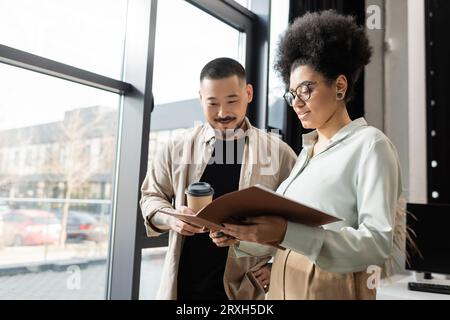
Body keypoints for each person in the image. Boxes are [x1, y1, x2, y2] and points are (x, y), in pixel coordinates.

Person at [211, 11, 403, 300]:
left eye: (306, 90)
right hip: (281, 289)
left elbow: (377, 243)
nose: (296, 103)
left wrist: (286, 231)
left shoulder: (370, 145)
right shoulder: (306, 154)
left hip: (329, 289)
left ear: (339, 86)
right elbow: (284, 238)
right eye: (291, 94)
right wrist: (241, 236)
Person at [140, 57, 297, 300]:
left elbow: (300, 223)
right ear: (201, 98)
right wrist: (172, 220)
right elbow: (151, 197)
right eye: (212, 103)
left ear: (248, 93)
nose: (223, 113)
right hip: (181, 289)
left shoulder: (279, 153)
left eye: (232, 101)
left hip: (244, 291)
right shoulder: (177, 147)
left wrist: (275, 266)